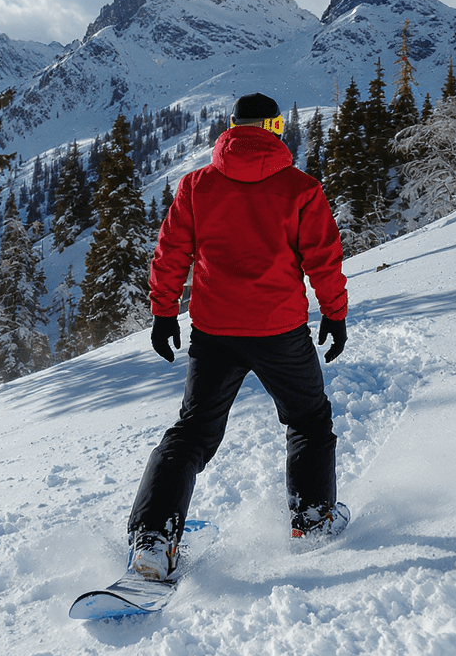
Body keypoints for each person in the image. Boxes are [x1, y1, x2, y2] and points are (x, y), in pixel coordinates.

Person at [127, 93, 350, 579]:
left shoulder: (197, 186)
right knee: (308, 420)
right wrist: (335, 314)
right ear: (273, 128)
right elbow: (323, 257)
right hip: (279, 330)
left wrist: (164, 313)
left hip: (215, 332)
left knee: (191, 433)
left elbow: (170, 253)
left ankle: (153, 539)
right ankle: (313, 519)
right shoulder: (300, 188)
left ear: (232, 127)